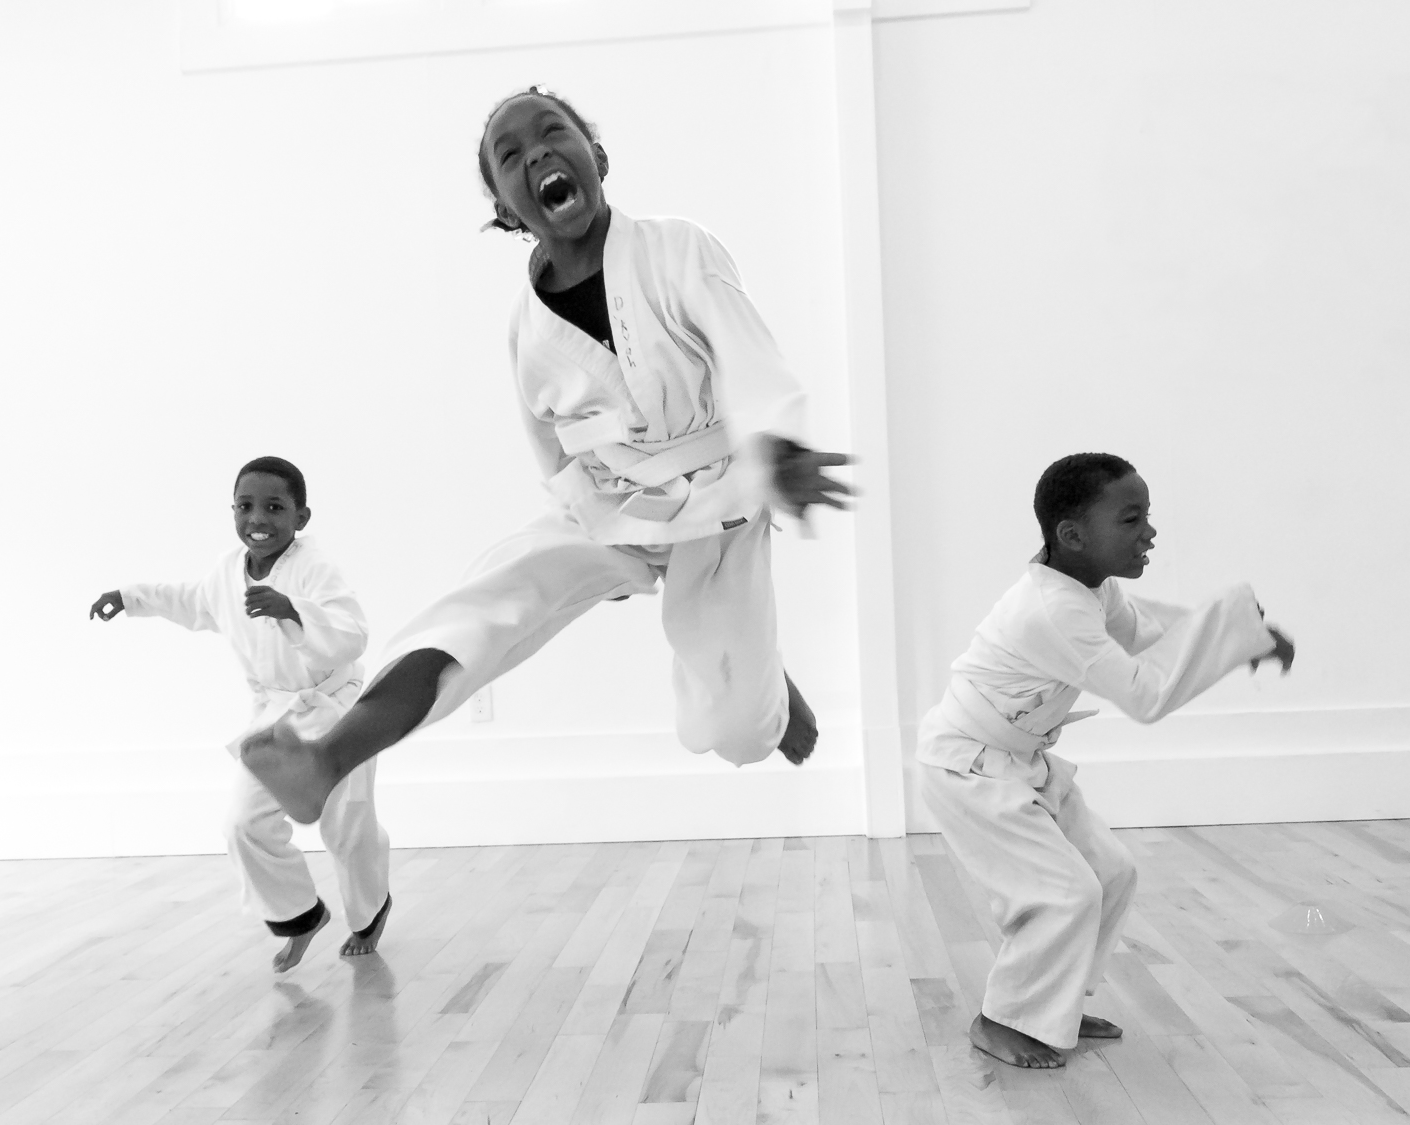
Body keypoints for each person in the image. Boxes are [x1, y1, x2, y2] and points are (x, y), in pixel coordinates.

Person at [240, 87, 854, 825]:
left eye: (553, 133)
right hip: (615, 507)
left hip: (724, 505)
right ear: (507, 207)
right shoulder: (526, 331)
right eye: (510, 154)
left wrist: (778, 448)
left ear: (595, 157)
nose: (536, 152)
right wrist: (593, 539)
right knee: (491, 599)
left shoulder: (677, 247)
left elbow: (747, 354)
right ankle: (328, 757)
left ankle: (767, 696)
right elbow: (554, 454)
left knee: (734, 732)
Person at [916, 452, 1294, 1068]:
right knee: (1064, 893)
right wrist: (1230, 630)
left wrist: (1243, 637)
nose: (1149, 532)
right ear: (1072, 535)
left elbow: (1145, 632)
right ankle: (1003, 1017)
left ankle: (1049, 1003)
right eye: (1131, 518)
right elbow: (1146, 695)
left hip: (1018, 761)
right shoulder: (1052, 610)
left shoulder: (1088, 587)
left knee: (1111, 873)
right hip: (969, 769)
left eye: (1147, 515)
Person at [90, 456, 392, 972]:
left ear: (301, 517)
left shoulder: (314, 567)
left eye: (275, 507)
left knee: (346, 823)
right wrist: (130, 596)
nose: (258, 518)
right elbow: (190, 601)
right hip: (277, 719)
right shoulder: (227, 571)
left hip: (338, 711)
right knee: (242, 824)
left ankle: (369, 912)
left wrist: (293, 610)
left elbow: (352, 633)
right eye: (246, 506)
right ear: (232, 511)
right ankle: (300, 916)